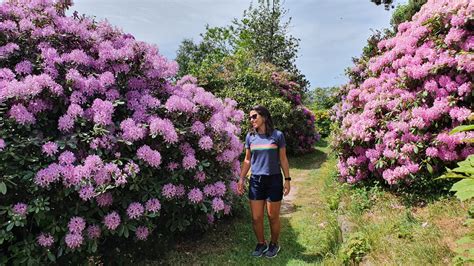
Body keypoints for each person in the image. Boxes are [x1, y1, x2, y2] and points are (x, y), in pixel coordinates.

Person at [237, 105, 291, 258]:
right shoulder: (250, 137)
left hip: (273, 180)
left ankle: (274, 244)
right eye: (250, 117)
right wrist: (241, 178)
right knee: (256, 218)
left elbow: (283, 159)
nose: (251, 120)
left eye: (254, 116)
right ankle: (261, 243)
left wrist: (287, 179)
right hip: (256, 181)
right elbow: (247, 160)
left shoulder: (277, 135)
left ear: (264, 117)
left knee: (273, 216)